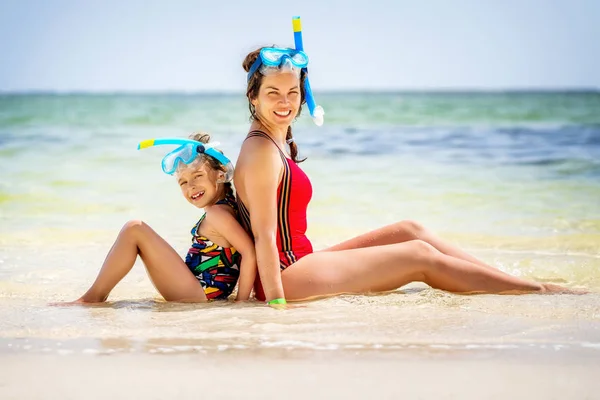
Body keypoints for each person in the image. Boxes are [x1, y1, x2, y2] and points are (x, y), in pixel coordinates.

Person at [234, 46, 580, 306]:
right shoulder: (262, 150)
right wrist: (276, 308)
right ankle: (535, 292)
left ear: (304, 94)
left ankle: (507, 282)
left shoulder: (273, 139)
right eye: (273, 93)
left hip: (299, 261)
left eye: (293, 92)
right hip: (282, 277)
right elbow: (264, 237)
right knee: (417, 255)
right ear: (254, 95)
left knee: (410, 231)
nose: (285, 102)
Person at [68, 132, 257, 304]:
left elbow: (249, 252)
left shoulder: (217, 214)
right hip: (202, 289)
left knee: (134, 229)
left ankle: (92, 297)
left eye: (197, 176)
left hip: (199, 293)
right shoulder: (227, 207)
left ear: (221, 175)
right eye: (183, 182)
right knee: (134, 229)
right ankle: (94, 296)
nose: (190, 186)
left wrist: (241, 302)